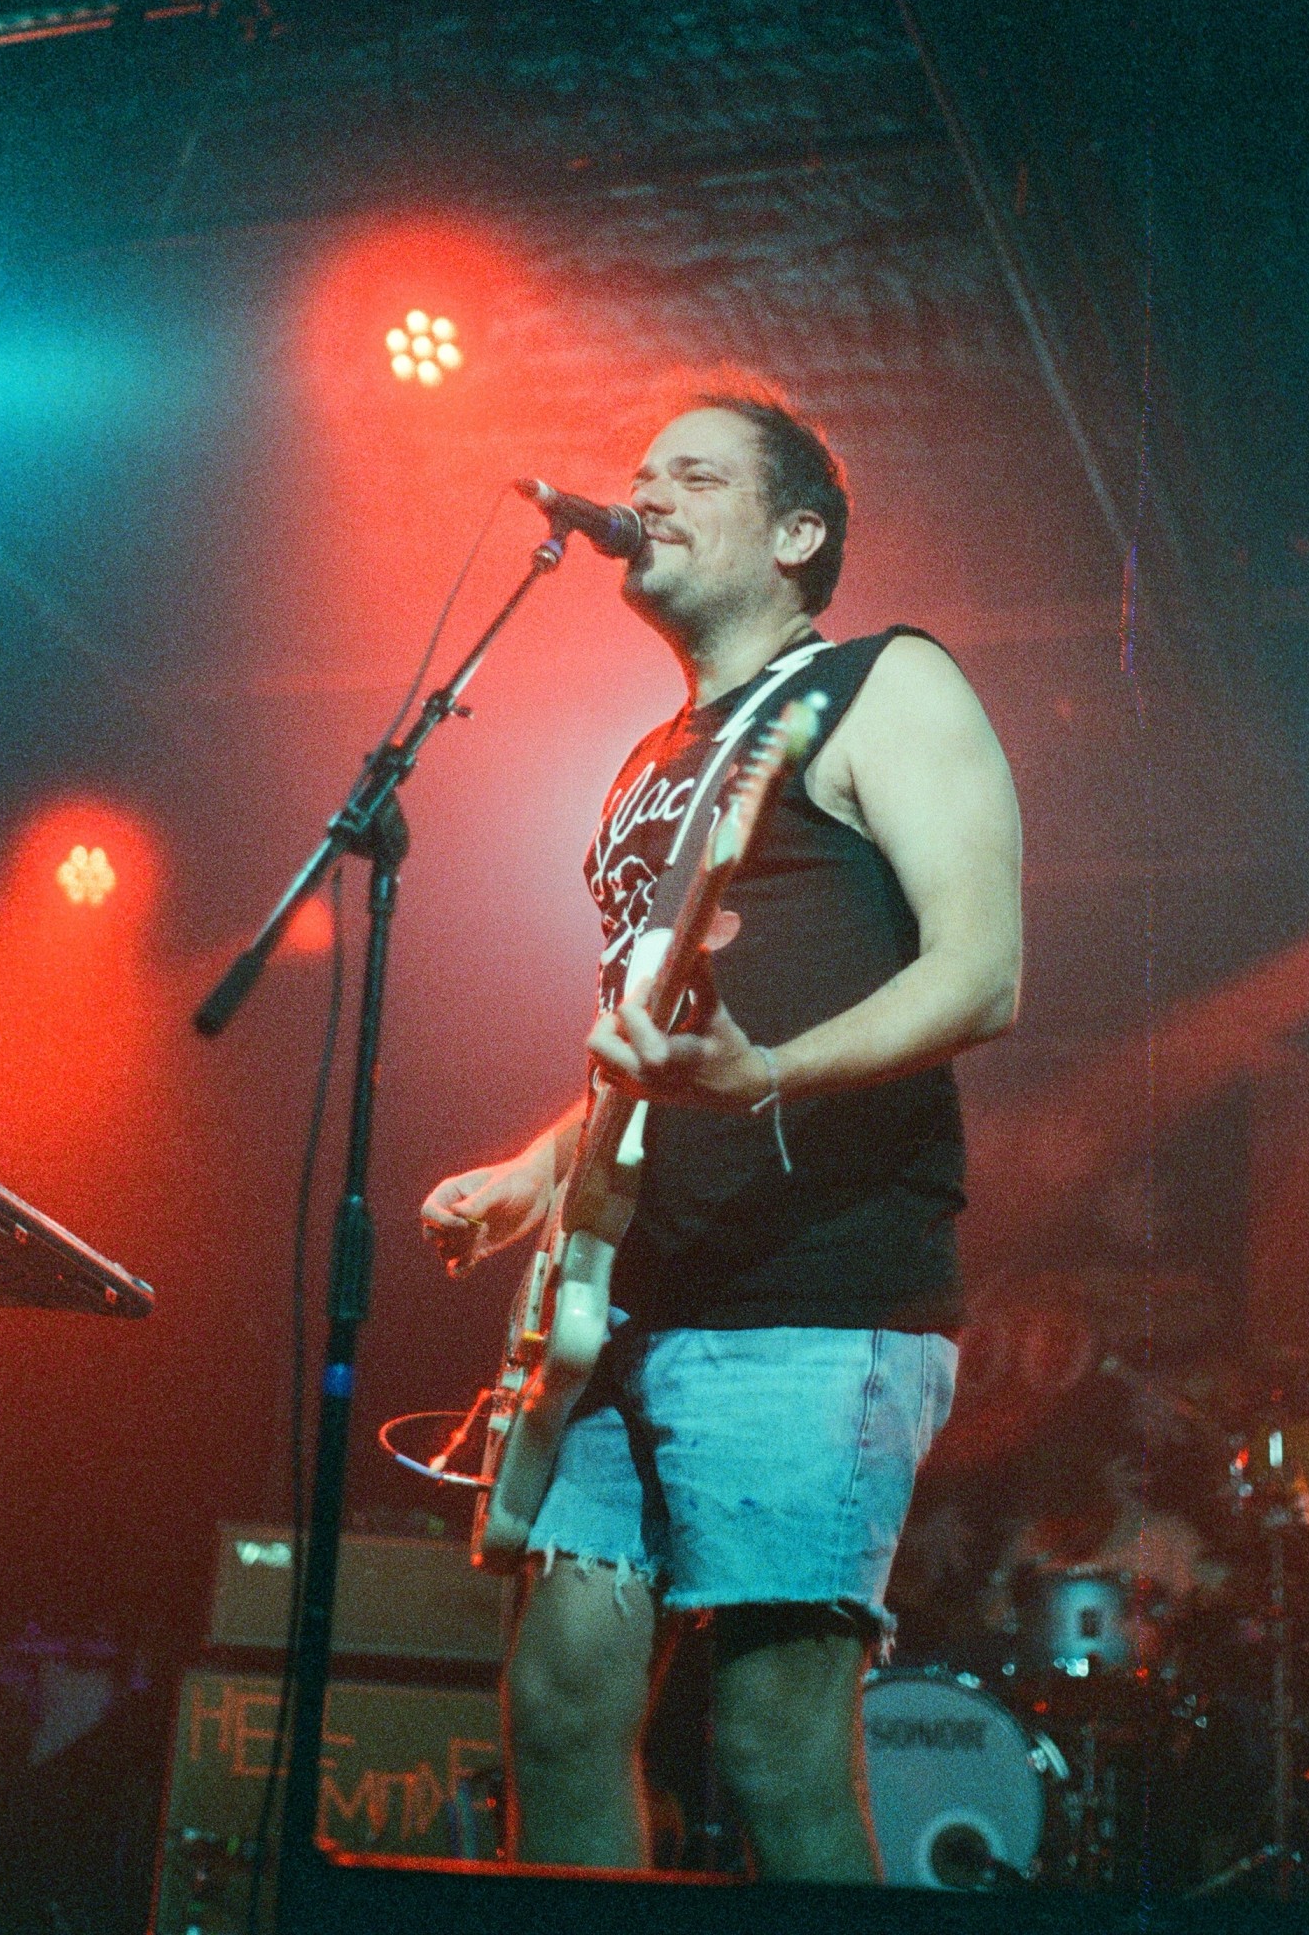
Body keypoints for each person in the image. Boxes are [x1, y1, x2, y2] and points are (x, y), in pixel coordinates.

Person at [421, 387, 1022, 1880]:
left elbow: (983, 971)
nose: (648, 495)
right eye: (641, 474)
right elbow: (649, 1059)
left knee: (772, 1744)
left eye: (695, 475)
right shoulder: (644, 764)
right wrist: (527, 1173)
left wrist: (768, 1074)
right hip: (615, 1298)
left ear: (799, 533)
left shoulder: (888, 683)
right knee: (556, 1718)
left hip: (812, 1296)